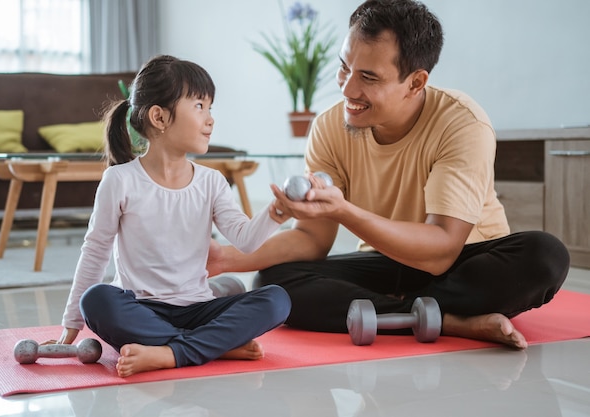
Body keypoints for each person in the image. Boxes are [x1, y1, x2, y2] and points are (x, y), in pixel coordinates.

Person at [207, 0, 570, 349]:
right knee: (275, 281)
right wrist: (227, 258)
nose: (348, 89)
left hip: (466, 262)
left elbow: (442, 250)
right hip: (387, 261)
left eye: (368, 77)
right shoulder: (330, 127)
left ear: (415, 82)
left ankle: (396, 309)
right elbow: (312, 240)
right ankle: (449, 319)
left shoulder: (462, 123)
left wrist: (343, 211)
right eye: (344, 67)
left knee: (545, 255)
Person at [52, 55, 291, 377]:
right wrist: (71, 325)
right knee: (97, 300)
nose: (210, 120)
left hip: (197, 308)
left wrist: (276, 212)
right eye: (199, 106)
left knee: (277, 299)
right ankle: (213, 346)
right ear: (159, 117)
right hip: (140, 308)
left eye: (210, 108)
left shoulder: (211, 181)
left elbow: (246, 241)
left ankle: (169, 352)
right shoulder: (120, 180)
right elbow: (95, 251)